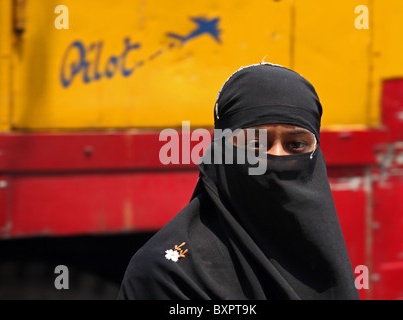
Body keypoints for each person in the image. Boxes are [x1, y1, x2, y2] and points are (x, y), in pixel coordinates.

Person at [117, 62, 360, 300]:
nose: (275, 156)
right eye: (256, 144)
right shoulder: (168, 272)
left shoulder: (322, 259)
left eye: (296, 145)